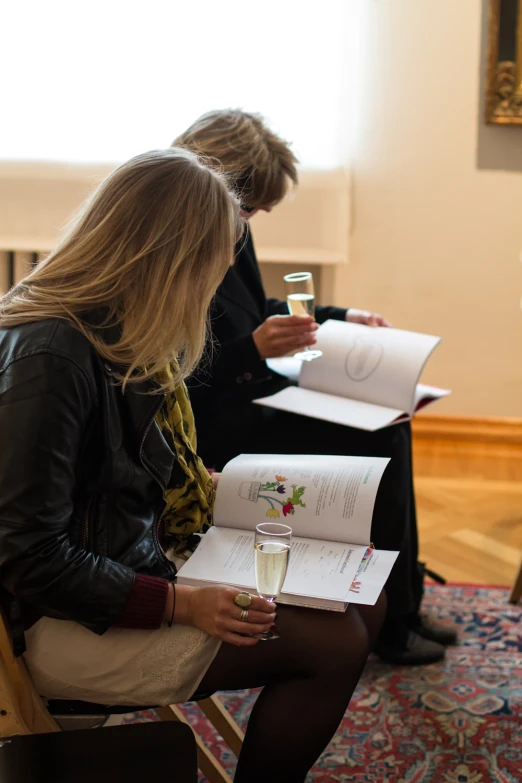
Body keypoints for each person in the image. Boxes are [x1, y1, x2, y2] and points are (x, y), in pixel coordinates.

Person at [0, 148, 386, 783]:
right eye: (211, 266)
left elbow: (126, 475)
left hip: (131, 560)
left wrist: (265, 496)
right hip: (66, 620)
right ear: (169, 261)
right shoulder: (52, 356)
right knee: (334, 643)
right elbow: (30, 557)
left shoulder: (115, 328)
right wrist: (182, 603)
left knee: (359, 591)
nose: (213, 287)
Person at [174, 110, 457, 666]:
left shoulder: (232, 229)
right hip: (216, 423)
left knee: (391, 418)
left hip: (248, 397)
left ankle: (402, 601)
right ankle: (392, 617)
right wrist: (252, 349)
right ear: (217, 185)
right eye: (250, 206)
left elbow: (255, 311)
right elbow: (177, 376)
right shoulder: (179, 246)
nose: (255, 218)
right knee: (382, 439)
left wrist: (339, 315)